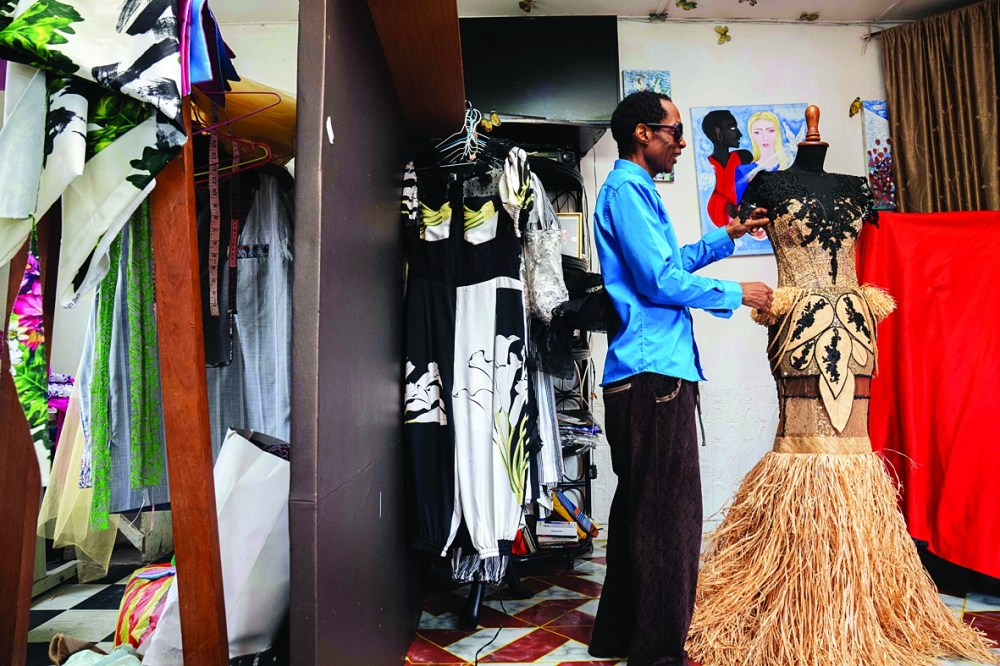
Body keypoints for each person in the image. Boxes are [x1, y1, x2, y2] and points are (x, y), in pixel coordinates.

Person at [588, 90, 773, 666]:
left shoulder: (631, 193)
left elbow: (667, 266)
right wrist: (736, 291)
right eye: (673, 131)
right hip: (653, 378)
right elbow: (659, 283)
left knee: (640, 512)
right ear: (643, 133)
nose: (681, 141)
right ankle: (660, 655)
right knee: (670, 520)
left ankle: (617, 638)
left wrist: (729, 236)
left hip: (643, 375)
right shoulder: (627, 191)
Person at [735, 111, 794, 239]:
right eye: (757, 132)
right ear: (751, 135)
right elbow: (741, 209)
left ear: (777, 132)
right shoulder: (744, 171)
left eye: (770, 131)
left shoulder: (790, 168)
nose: (764, 138)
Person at [702, 109, 753, 228]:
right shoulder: (707, 164)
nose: (739, 134)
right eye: (732, 128)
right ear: (718, 132)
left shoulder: (743, 156)